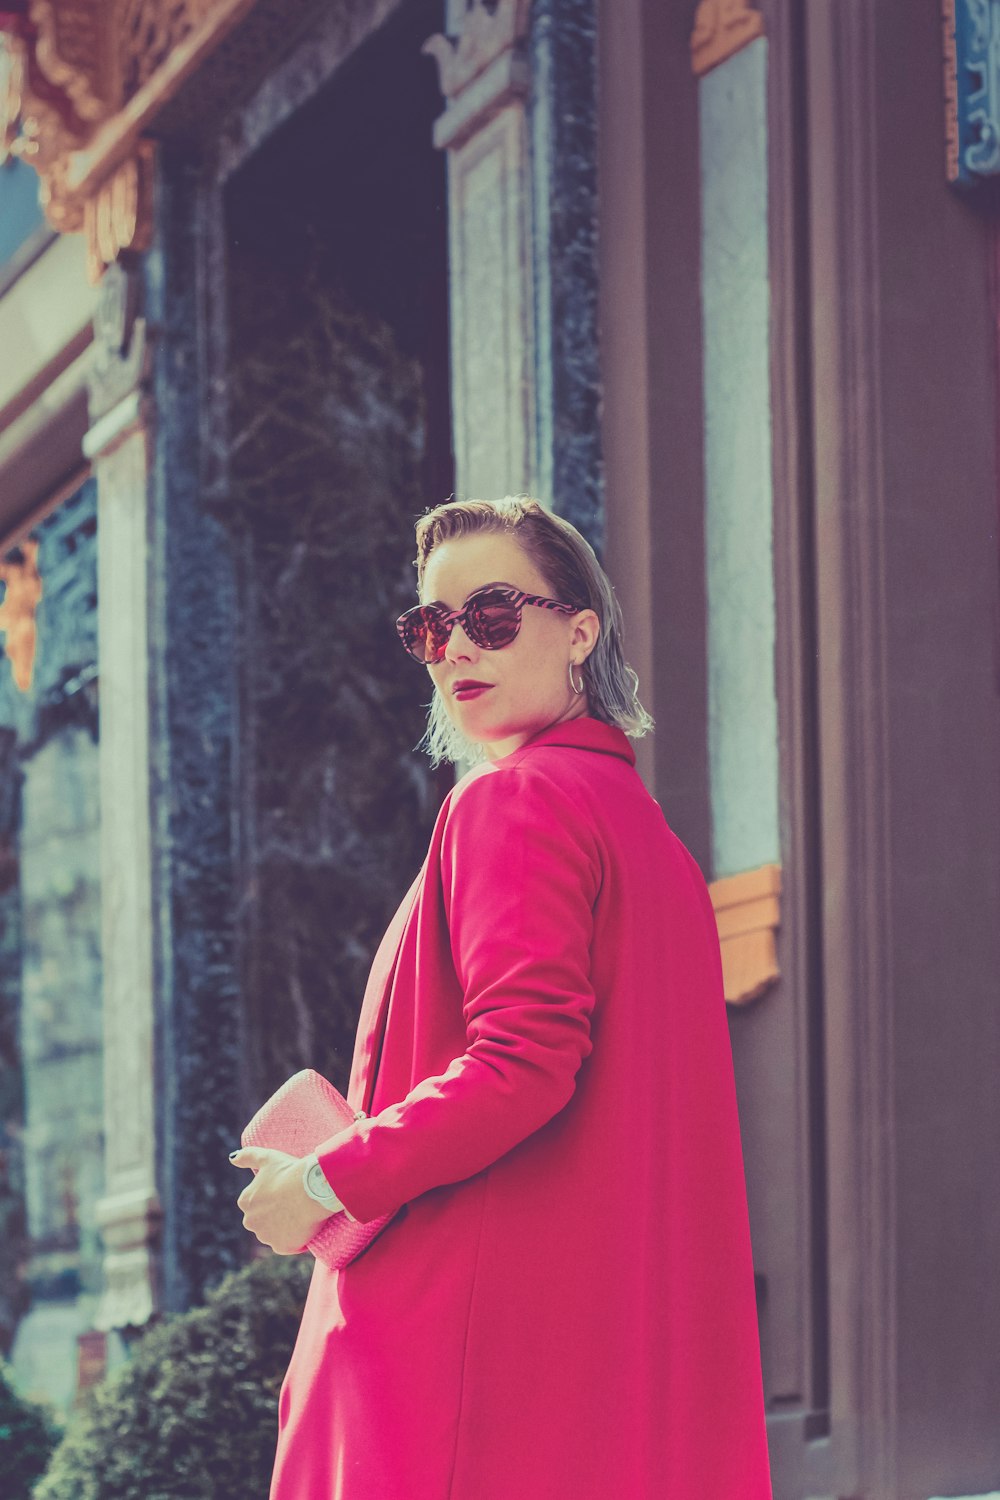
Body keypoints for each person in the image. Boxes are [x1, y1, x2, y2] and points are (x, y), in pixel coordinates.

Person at [230, 495, 773, 1499]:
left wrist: (317, 1185)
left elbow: (521, 1063)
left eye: (488, 616)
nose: (451, 649)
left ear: (579, 629)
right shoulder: (648, 839)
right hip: (585, 1370)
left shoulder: (513, 800)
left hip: (458, 1368)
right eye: (428, 627)